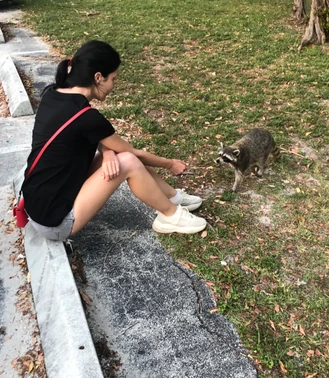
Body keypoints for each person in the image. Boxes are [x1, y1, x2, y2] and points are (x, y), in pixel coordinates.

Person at [22, 40, 207, 241]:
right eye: (113, 79)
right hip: (54, 223)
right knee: (129, 161)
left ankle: (173, 197)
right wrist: (169, 164)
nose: (113, 85)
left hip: (37, 202)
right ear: (98, 77)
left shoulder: (53, 94)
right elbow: (133, 153)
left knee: (120, 154)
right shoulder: (86, 116)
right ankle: (170, 215)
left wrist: (108, 151)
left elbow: (88, 135)